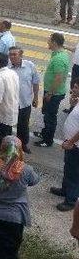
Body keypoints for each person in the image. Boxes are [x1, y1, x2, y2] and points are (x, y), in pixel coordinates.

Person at [35, 33, 71, 147]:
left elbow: (58, 78)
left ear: (54, 42)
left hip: (54, 93)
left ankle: (47, 140)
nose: (47, 42)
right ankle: (45, 133)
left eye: (49, 40)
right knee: (47, 113)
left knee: (50, 116)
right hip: (53, 91)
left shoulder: (59, 58)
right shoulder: (59, 54)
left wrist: (50, 93)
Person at [50, 81, 79, 211]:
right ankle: (65, 189)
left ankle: (71, 200)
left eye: (76, 87)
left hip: (76, 145)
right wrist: (73, 104)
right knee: (68, 166)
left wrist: (71, 142)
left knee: (74, 172)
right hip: (71, 142)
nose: (73, 89)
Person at [9, 47, 40, 154]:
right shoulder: (7, 67)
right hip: (10, 103)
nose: (12, 57)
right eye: (10, 55)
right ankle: (7, 145)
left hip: (25, 103)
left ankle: (23, 145)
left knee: (23, 125)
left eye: (14, 54)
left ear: (21, 55)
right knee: (8, 123)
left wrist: (36, 97)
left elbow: (35, 82)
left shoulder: (30, 66)